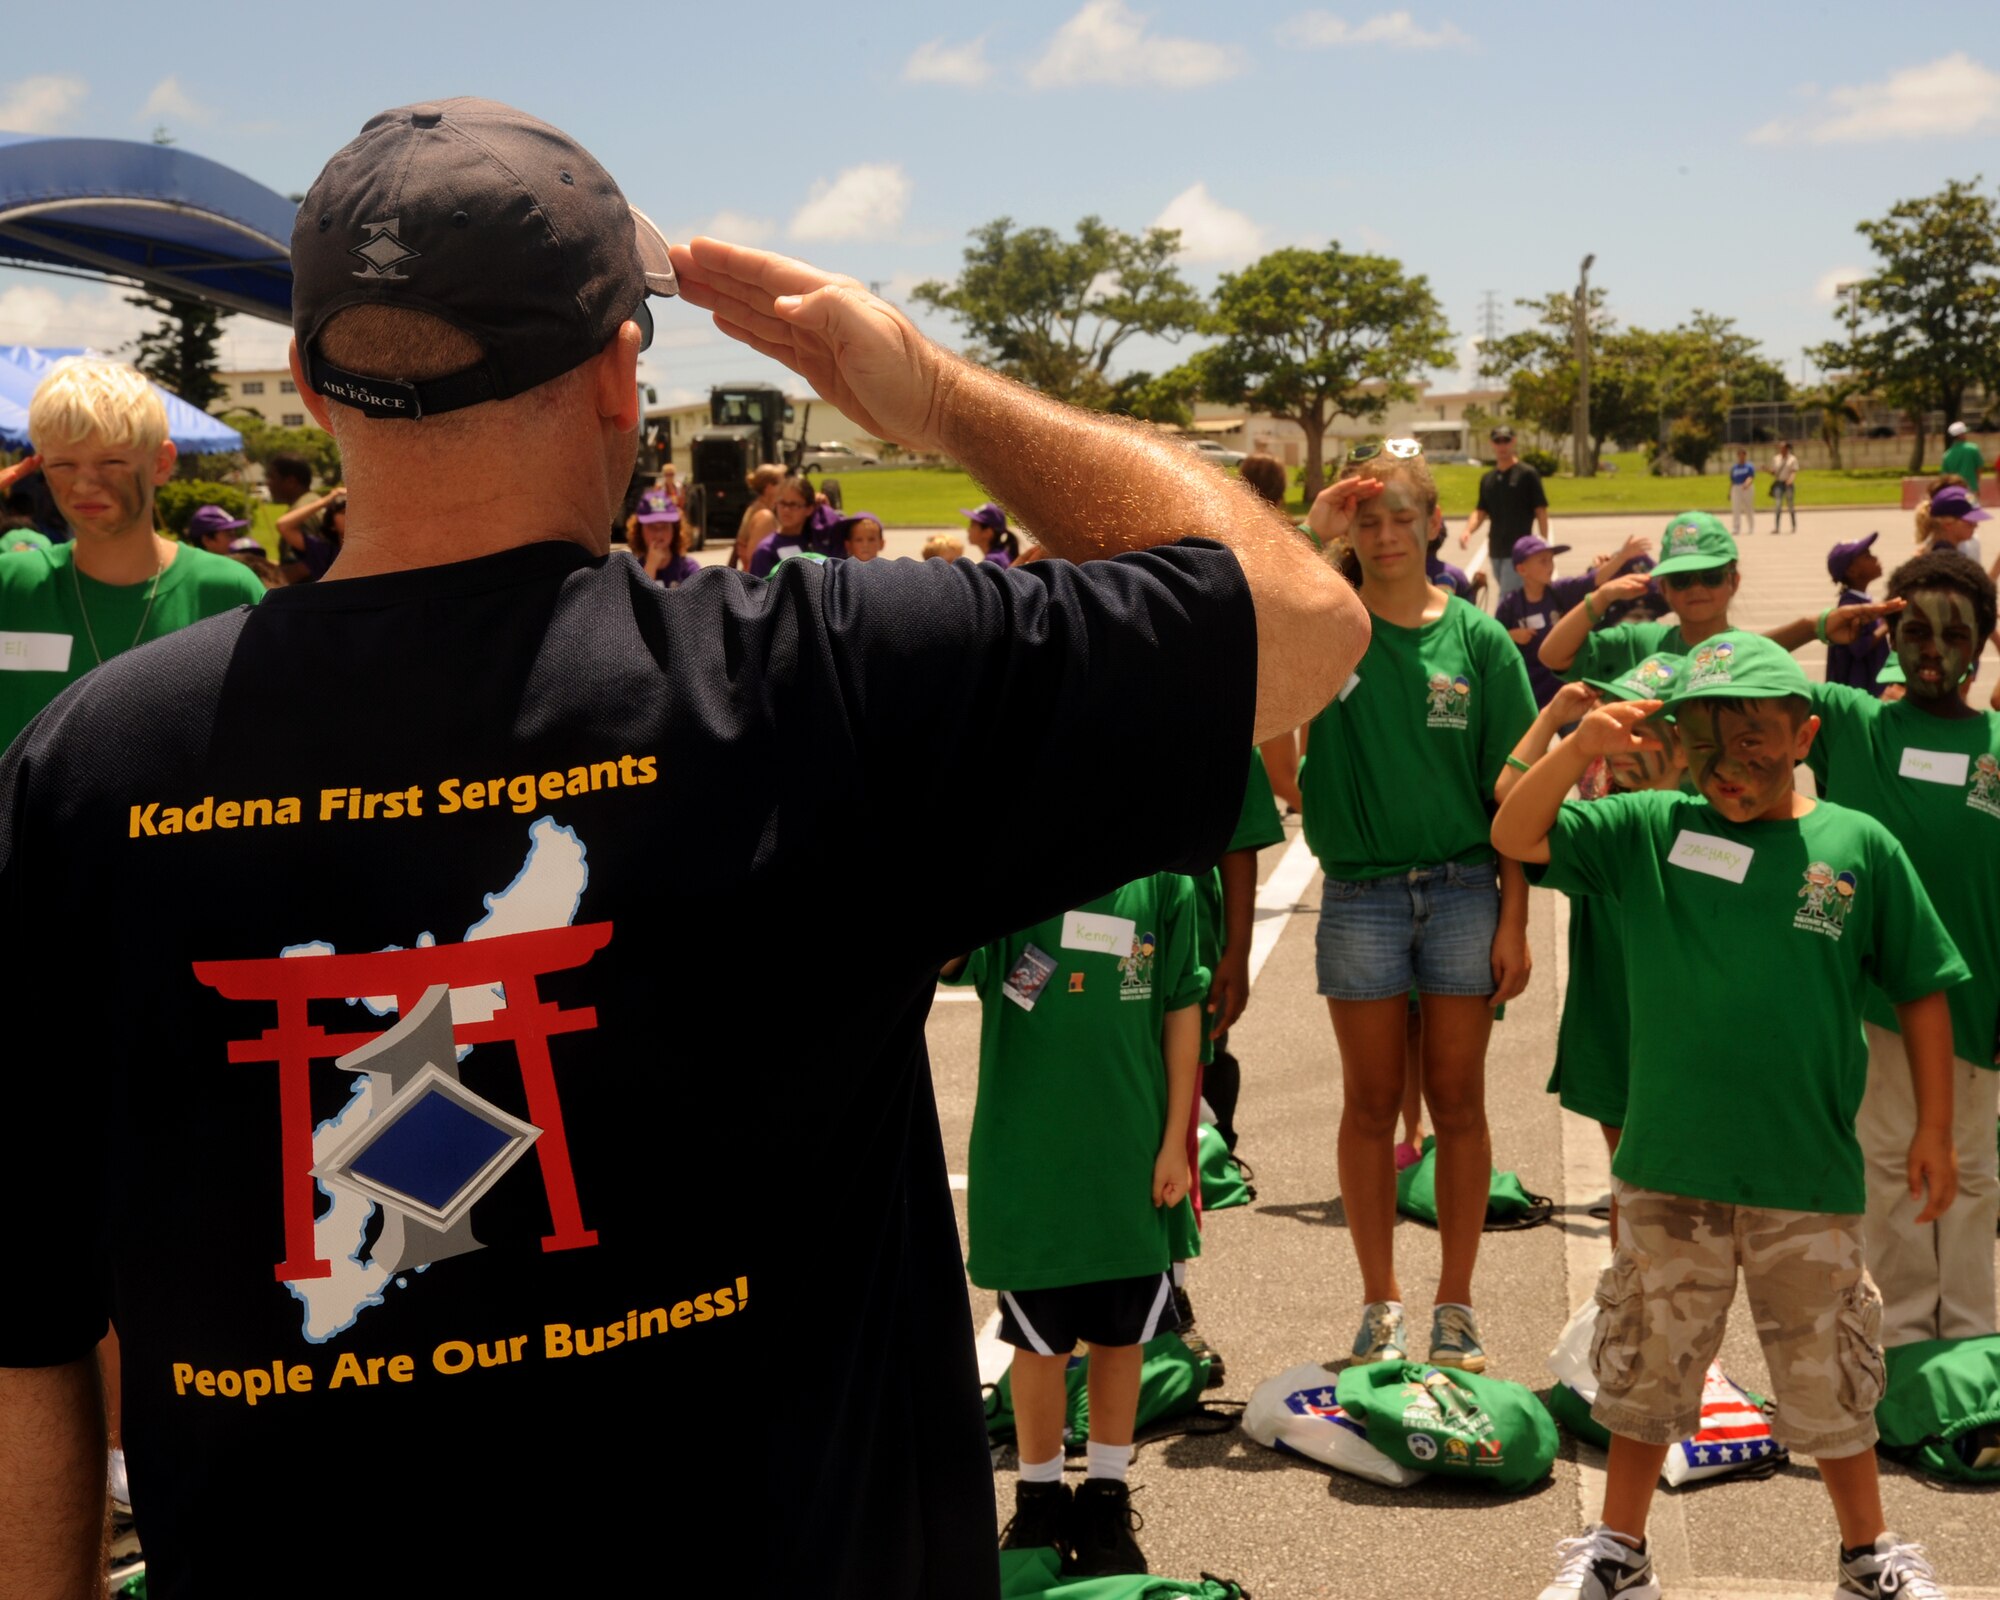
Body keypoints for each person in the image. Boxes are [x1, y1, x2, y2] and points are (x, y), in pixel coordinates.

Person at [0, 97, 1369, 1600]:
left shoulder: (87, 772)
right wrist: (947, 406)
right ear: (616, 374)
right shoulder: (815, 680)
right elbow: (1303, 625)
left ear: (320, 386)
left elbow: (28, 1347)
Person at [1494, 632, 1967, 1600]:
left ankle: (1866, 1553)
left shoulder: (1852, 843)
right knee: (1645, 1366)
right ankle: (1616, 1553)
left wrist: (1930, 1127)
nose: (1729, 767)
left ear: (1802, 734)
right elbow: (1513, 835)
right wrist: (1577, 747)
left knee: (1828, 1367)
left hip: (1804, 1168)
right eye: (1705, 743)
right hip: (1672, 1163)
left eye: (1753, 739)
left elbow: (1921, 985)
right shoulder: (1643, 829)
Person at [1301, 440, 1536, 1372]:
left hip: (1464, 890)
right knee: (1367, 1105)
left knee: (1460, 1104)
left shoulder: (1476, 638)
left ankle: (1457, 1305)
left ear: (1437, 523)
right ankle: (1378, 1304)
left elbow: (1516, 796)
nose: (1386, 533)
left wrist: (1514, 917)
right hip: (1359, 894)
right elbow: (1252, 613)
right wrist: (1312, 540)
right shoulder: (1325, 626)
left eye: (1403, 516)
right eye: (1367, 518)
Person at [944, 871, 1203, 1577]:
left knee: (1122, 1339)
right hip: (1033, 1171)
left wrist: (1175, 1138)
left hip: (1127, 1164)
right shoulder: (1015, 875)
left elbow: (1183, 1008)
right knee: (1038, 1345)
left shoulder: (1165, 884)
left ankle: (1108, 1496)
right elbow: (952, 959)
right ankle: (1038, 1497)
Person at [1806, 551, 2000, 1348]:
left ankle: (1973, 1335)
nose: (1933, 650)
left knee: (1975, 1169)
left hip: (1976, 1002)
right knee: (1889, 1163)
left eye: (1957, 634)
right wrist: (1822, 626)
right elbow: (1722, 678)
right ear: (1889, 632)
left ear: (1984, 646)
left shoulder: (1995, 741)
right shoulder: (1855, 725)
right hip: (1877, 1003)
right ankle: (1906, 1337)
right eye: (1914, 629)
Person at [1494, 661, 1689, 1248]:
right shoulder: (1601, 805)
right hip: (1614, 1009)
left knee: (1688, 1195)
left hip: (1685, 1022)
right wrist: (1564, 727)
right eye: (1617, 719)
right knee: (1630, 1181)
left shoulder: (1714, 810)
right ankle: (1632, 1308)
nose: (1624, 740)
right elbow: (1510, 800)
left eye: (1644, 724)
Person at [0, 361, 266, 755]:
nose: (84, 484)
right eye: (62, 464)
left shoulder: (227, 591)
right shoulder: (12, 583)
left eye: (112, 462)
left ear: (161, 463)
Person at [1536, 511, 1900, 688]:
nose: (1696, 588)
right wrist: (1599, 598)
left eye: (1710, 576)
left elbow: (1734, 652)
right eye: (1680, 579)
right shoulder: (1637, 642)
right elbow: (1552, 655)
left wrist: (1813, 626)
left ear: (1734, 582)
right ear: (1663, 590)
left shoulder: (1753, 657)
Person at [1497, 532, 1651, 709]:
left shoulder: (1561, 591)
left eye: (1551, 560)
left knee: (1573, 732)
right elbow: (1493, 640)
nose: (1550, 566)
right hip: (1530, 688)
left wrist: (1622, 556)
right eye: (1543, 561)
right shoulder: (1510, 605)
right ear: (1522, 569)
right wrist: (1511, 635)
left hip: (1564, 685)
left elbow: (1595, 579)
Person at [1458, 425, 1548, 594]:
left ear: (1513, 441)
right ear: (1492, 444)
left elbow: (1541, 511)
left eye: (1506, 440)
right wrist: (1467, 531)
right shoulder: (1488, 479)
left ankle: (1503, 621)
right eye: (1497, 441)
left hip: (1519, 552)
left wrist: (1544, 544)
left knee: (1506, 598)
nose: (1502, 445)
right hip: (1495, 551)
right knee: (1513, 597)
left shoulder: (1527, 474)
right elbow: (1480, 511)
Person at [1825, 534, 1889, 696]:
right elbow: (1859, 647)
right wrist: (1887, 624)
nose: (1875, 557)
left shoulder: (1860, 599)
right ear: (1852, 571)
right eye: (1867, 556)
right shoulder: (1850, 606)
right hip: (1860, 690)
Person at [275, 485, 347, 580]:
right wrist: (327, 500)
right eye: (343, 512)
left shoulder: (370, 548)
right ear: (332, 525)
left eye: (353, 511)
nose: (349, 515)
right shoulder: (324, 551)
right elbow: (283, 525)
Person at [253, 451, 314, 562]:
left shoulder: (300, 513)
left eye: (272, 477)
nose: (268, 483)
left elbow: (309, 565)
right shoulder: (311, 502)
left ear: (291, 482)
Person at [632, 491, 698, 587]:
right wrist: (651, 565)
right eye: (651, 526)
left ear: (674, 529)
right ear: (639, 530)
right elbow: (637, 598)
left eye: (664, 526)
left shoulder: (688, 569)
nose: (658, 533)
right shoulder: (632, 570)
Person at [1917, 482, 1987, 567]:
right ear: (1948, 523)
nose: (1976, 525)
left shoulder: (1929, 548)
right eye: (1970, 521)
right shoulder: (1946, 562)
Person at [730, 461, 783, 570]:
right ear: (769, 487)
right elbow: (754, 559)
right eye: (781, 483)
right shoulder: (765, 517)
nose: (784, 487)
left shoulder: (757, 508)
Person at [962, 501, 1020, 566]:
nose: (968, 530)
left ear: (987, 532)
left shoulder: (993, 561)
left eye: (972, 525)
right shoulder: (999, 556)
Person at [1940, 420, 1984, 487]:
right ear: (1960, 435)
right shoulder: (1973, 449)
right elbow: (1979, 469)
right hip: (1971, 488)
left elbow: (1945, 476)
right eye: (1964, 433)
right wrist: (1975, 484)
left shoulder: (1946, 455)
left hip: (1954, 491)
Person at [1770, 439, 1801, 535]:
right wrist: (1768, 471)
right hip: (1779, 483)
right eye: (1780, 448)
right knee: (1778, 505)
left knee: (1790, 505)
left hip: (1788, 484)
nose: (1781, 449)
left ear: (1787, 448)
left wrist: (1790, 480)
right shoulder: (1776, 458)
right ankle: (1777, 527)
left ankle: (1793, 526)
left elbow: (1794, 472)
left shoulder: (1792, 459)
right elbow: (1774, 472)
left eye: (1783, 448)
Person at [1727, 446, 1756, 541]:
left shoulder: (1749, 466)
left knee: (1748, 507)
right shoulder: (1734, 468)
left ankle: (1751, 527)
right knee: (1736, 508)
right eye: (1739, 454)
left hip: (1747, 488)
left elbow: (1751, 477)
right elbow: (1732, 480)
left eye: (1742, 454)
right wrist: (1729, 492)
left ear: (1745, 455)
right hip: (1736, 487)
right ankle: (1736, 528)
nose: (1741, 456)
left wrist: (1747, 484)